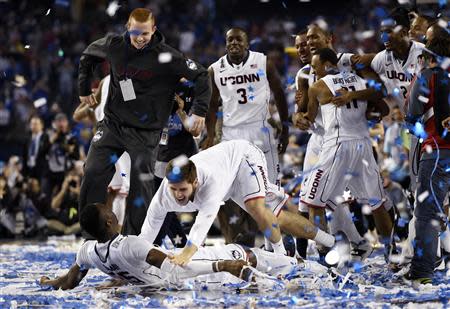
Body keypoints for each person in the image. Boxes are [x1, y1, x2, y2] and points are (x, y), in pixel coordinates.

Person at [77, 8, 211, 235]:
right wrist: (83, 87)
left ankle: (132, 241)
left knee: (142, 185)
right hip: (113, 125)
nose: (140, 38)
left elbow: (201, 75)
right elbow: (88, 55)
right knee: (92, 172)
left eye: (145, 34)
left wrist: (199, 111)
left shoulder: (167, 56)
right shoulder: (114, 45)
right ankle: (92, 234)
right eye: (136, 32)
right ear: (128, 27)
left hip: (146, 133)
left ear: (154, 31)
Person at [40, 203, 326, 290]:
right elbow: (176, 268)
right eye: (109, 212)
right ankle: (318, 268)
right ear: (111, 220)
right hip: (209, 267)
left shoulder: (88, 252)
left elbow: (68, 282)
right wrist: (221, 264)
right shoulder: (132, 246)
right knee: (255, 257)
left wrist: (48, 282)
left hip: (183, 285)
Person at [141, 140, 336, 266]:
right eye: (173, 189)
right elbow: (150, 227)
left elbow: (204, 222)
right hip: (228, 177)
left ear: (195, 182)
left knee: (259, 210)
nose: (178, 196)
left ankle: (284, 260)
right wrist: (139, 256)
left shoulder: (211, 182)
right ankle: (332, 241)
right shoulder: (166, 193)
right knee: (277, 218)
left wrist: (187, 253)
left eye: (183, 190)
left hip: (243, 158)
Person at [299, 48, 391, 263]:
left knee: (313, 202)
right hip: (363, 145)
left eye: (315, 66)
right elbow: (383, 105)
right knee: (378, 204)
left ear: (328, 65)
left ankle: (325, 256)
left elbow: (309, 119)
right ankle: (391, 254)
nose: (314, 70)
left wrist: (298, 118)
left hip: (337, 147)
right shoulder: (361, 80)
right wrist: (360, 102)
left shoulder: (317, 87)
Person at [204, 27, 289, 184]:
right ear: (225, 44)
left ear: (247, 44)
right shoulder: (215, 70)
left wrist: (285, 128)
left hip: (261, 129)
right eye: (230, 40)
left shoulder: (263, 63)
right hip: (231, 133)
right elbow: (212, 106)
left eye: (238, 39)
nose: (234, 42)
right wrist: (210, 135)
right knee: (236, 189)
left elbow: (279, 94)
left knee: (270, 188)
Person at [404, 36, 450, 285]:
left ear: (431, 57)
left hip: (439, 153)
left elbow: (411, 115)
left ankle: (422, 272)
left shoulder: (427, 76)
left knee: (426, 213)